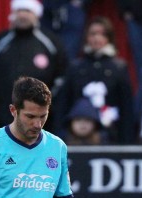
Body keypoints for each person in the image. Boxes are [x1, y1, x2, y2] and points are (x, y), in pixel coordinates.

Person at [0, 0, 68, 132]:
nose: (23, 15)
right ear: (12, 14)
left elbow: (62, 79)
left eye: (28, 11)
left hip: (42, 124)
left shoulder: (51, 43)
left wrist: (47, 110)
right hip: (2, 122)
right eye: (19, 11)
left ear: (36, 14)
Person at [55, 16, 135, 144]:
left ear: (109, 38)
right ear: (86, 37)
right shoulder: (75, 67)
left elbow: (126, 109)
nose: (97, 38)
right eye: (93, 34)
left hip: (110, 136)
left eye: (102, 34)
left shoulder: (119, 68)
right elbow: (63, 104)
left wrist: (127, 143)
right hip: (76, 138)